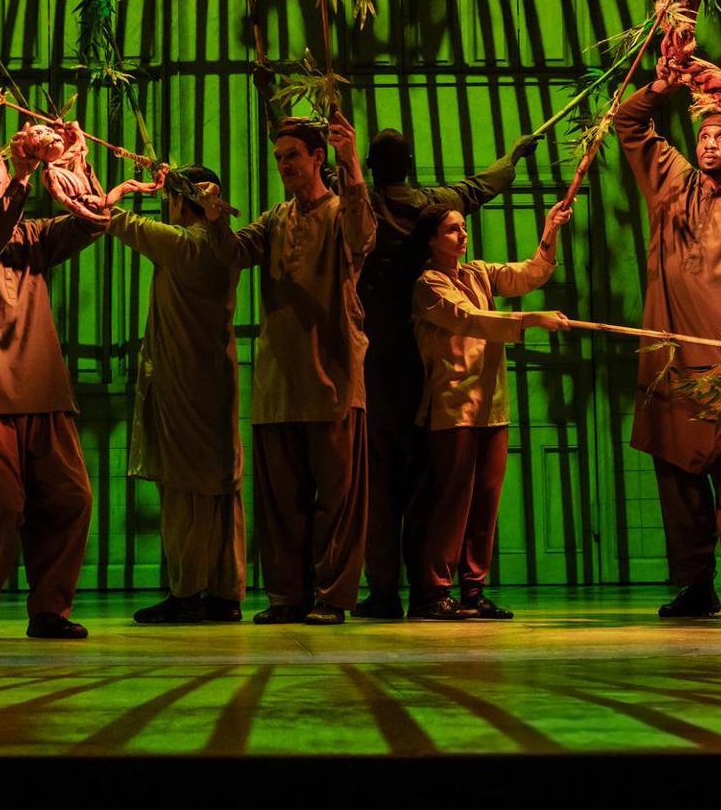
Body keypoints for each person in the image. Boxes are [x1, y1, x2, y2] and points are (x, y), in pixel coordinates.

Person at [356, 128, 539, 619]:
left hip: (383, 354)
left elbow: (326, 177)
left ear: (370, 165)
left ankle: (389, 588)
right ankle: (431, 587)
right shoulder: (433, 203)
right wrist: (513, 152)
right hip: (435, 361)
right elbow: (486, 183)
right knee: (439, 484)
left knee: (386, 477)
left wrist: (274, 105)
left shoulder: (363, 203)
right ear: (411, 161)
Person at [0, 125, 106, 642]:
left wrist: (76, 162)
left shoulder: (35, 236)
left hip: (43, 392)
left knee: (70, 499)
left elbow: (93, 224)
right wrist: (24, 182)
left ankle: (49, 611)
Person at [616, 79, 721, 620]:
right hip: (671, 362)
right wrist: (662, 85)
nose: (708, 144)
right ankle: (695, 586)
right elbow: (629, 122)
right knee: (678, 484)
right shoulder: (673, 186)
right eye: (704, 135)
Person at [235, 113, 375, 625]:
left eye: (291, 155)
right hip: (278, 383)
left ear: (318, 157)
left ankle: (333, 597)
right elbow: (233, 250)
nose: (283, 165)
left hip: (333, 378)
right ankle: (285, 597)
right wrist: (204, 214)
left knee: (337, 500)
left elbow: (362, 237)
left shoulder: (342, 212)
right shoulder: (274, 220)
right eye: (277, 158)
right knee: (281, 504)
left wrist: (352, 164)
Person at [407, 203, 571, 619]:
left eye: (463, 228)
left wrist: (550, 229)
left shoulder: (477, 272)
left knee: (485, 500)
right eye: (451, 230)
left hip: (491, 406)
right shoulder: (428, 284)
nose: (462, 235)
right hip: (454, 406)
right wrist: (530, 320)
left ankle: (473, 590)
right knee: (452, 500)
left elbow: (529, 273)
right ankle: (433, 591)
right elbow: (471, 319)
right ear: (430, 239)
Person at [99, 166, 246, 623]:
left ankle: (187, 592)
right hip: (216, 381)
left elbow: (105, 214)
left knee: (183, 488)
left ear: (185, 202)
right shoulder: (224, 246)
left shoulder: (183, 244)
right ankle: (225, 592)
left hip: (184, 382)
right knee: (220, 486)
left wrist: (112, 182)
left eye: (171, 199)